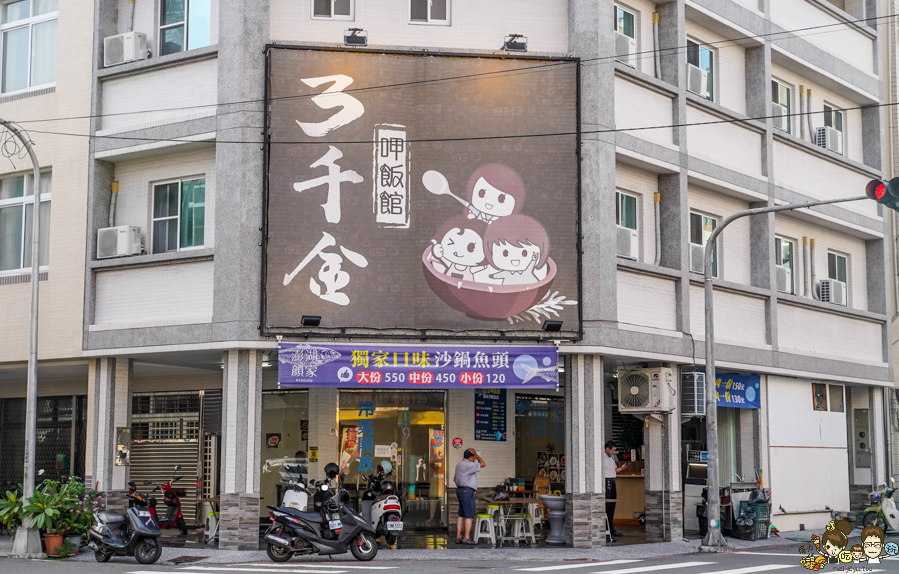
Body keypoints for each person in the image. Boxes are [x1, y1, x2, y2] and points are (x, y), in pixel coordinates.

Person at [453, 448, 486, 544]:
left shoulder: (459, 464)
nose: (475, 459)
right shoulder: (468, 464)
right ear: (471, 457)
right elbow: (483, 464)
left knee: (461, 514)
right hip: (467, 491)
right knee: (469, 515)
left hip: (460, 489)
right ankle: (466, 537)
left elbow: (455, 479)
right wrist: (476, 454)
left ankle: (458, 536)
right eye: (474, 457)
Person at [604, 440, 627, 538]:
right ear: (607, 449)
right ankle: (605, 529)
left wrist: (621, 469)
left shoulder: (611, 458)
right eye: (612, 450)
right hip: (606, 481)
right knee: (607, 506)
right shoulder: (601, 457)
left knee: (612, 505)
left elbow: (614, 470)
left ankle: (611, 529)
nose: (613, 452)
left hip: (613, 480)